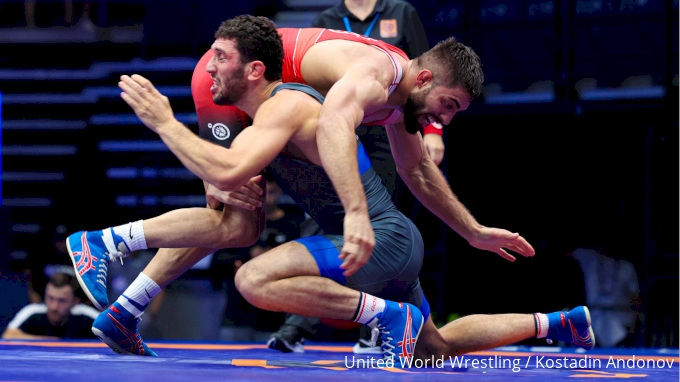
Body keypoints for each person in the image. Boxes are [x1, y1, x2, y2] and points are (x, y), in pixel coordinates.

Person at [67, 15, 594, 361]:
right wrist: (356, 213)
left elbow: (417, 173)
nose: (444, 122)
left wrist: (473, 230)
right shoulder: (374, 75)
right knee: (236, 216)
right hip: (235, 79)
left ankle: (557, 323)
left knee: (240, 225)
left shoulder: (395, 104)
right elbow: (335, 124)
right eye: (448, 107)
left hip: (362, 207)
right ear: (428, 80)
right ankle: (114, 270)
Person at [271, 0, 443, 354]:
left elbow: (433, 74)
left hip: (384, 133)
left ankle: (376, 326)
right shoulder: (330, 19)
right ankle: (298, 325)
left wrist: (434, 131)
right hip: (337, 123)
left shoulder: (401, 12)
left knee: (379, 225)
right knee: (322, 219)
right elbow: (312, 84)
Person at [2, 272, 99, 340]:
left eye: (62, 301)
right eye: (50, 298)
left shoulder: (88, 316)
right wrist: (50, 341)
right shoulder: (32, 312)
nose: (54, 307)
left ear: (75, 302)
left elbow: (114, 337)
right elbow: (8, 335)